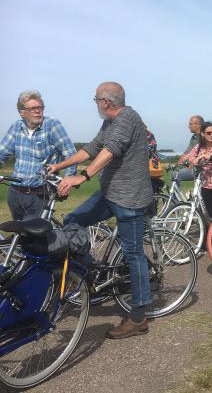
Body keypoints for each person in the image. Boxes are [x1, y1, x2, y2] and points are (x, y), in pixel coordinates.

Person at [47, 82, 153, 339]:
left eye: (96, 99)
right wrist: (59, 166)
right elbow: (92, 148)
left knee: (133, 254)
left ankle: (138, 317)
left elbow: (108, 152)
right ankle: (88, 272)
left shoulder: (127, 118)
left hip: (130, 199)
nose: (95, 103)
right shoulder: (110, 122)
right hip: (109, 195)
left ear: (106, 102)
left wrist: (81, 178)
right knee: (73, 220)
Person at [0, 90, 76, 221]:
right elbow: (2, 153)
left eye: (40, 107)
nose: (38, 111)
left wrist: (68, 181)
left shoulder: (51, 125)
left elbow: (70, 154)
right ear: (22, 112)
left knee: (35, 238)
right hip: (15, 193)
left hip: (40, 194)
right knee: (20, 235)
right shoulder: (16, 127)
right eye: (32, 108)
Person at [176, 115, 204, 185]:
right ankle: (175, 196)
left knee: (176, 175)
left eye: (191, 124)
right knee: (175, 173)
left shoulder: (206, 136)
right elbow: (186, 153)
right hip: (196, 167)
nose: (188, 126)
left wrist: (194, 161)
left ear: (198, 125)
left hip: (205, 169)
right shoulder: (194, 137)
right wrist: (178, 165)